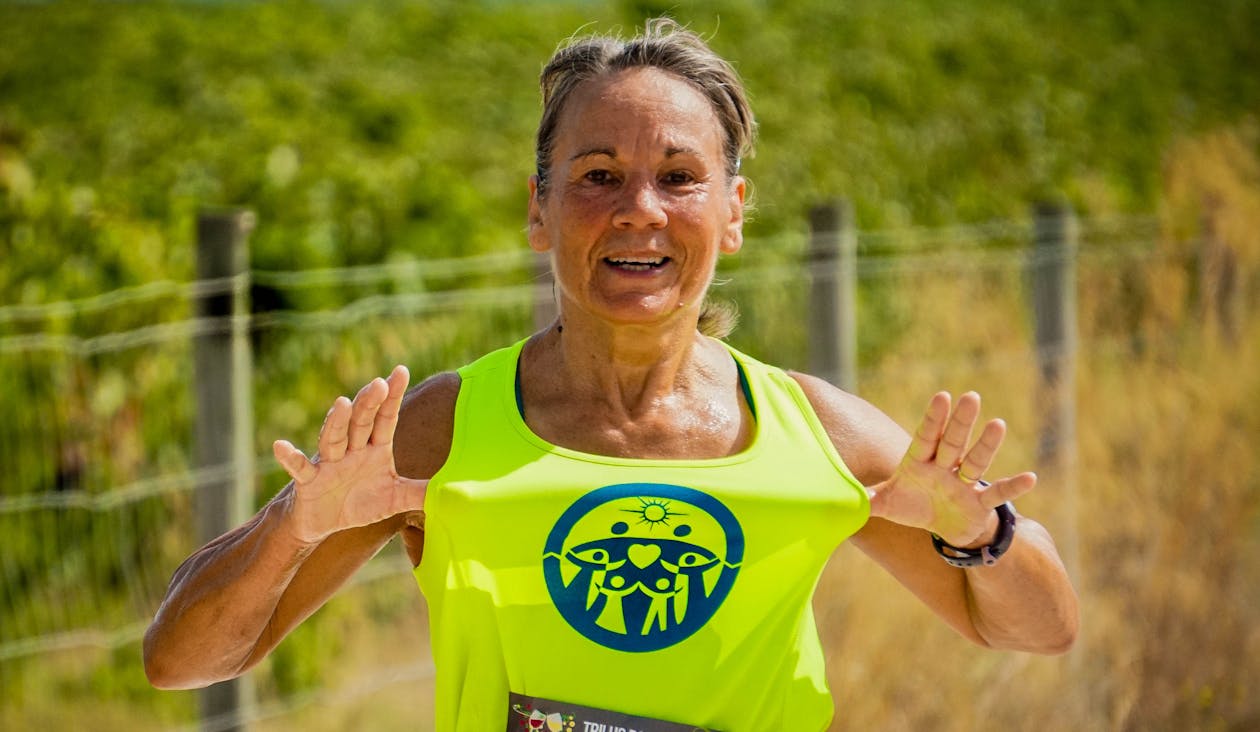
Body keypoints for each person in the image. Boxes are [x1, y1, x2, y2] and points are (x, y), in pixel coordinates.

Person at [144, 18, 1078, 731]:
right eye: (597, 176)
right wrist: (291, 525)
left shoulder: (812, 432)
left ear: (735, 211)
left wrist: (980, 532)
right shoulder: (443, 432)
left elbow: (1037, 629)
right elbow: (182, 661)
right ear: (539, 209)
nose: (640, 211)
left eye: (680, 177)